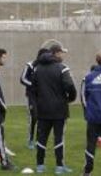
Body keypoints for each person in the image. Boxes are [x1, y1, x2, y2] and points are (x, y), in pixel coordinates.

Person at [32, 44, 77, 174]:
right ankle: (59, 166)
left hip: (42, 109)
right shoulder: (62, 68)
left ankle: (40, 165)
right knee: (59, 138)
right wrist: (70, 99)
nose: (63, 55)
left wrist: (37, 103)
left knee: (41, 138)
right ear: (56, 53)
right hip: (59, 110)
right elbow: (70, 85)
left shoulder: (37, 68)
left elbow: (33, 89)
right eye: (62, 52)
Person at [20, 48, 49, 150]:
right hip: (31, 96)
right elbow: (22, 79)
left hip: (43, 97)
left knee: (42, 118)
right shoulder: (30, 65)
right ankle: (30, 139)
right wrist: (33, 85)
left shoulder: (47, 67)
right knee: (34, 117)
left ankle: (39, 140)